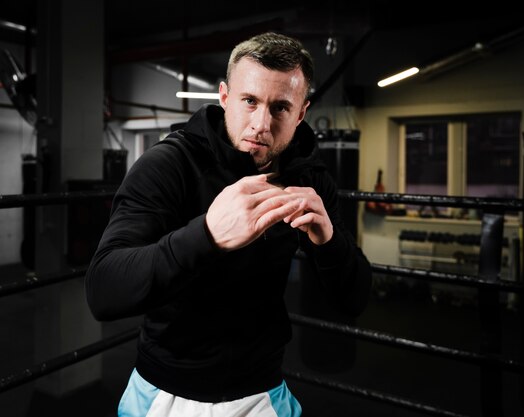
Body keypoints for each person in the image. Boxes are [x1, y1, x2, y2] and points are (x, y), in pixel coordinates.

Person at [85, 31, 372, 416]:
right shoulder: (169, 166)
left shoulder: (309, 180)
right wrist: (207, 235)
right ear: (224, 98)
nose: (261, 124)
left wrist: (329, 242)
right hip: (168, 391)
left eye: (280, 108)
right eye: (249, 101)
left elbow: (354, 298)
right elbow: (104, 289)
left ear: (301, 113)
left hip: (261, 391)